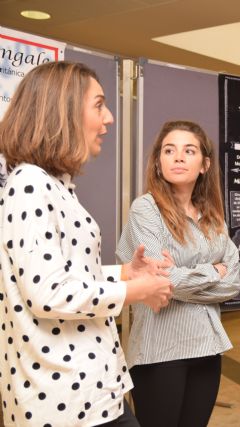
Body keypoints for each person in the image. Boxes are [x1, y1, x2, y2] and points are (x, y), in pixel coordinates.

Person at [0, 61, 173, 427]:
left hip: (93, 392)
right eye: (99, 105)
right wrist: (134, 290)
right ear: (61, 110)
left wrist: (125, 273)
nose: (109, 117)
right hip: (62, 399)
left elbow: (65, 273)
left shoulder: (53, 184)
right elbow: (47, 293)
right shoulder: (29, 184)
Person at [116, 120, 240, 427]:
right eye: (169, 150)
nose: (179, 157)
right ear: (159, 162)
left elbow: (235, 281)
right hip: (160, 351)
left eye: (189, 150)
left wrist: (185, 274)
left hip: (207, 347)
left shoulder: (212, 215)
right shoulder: (145, 209)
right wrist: (214, 271)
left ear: (204, 164)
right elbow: (160, 281)